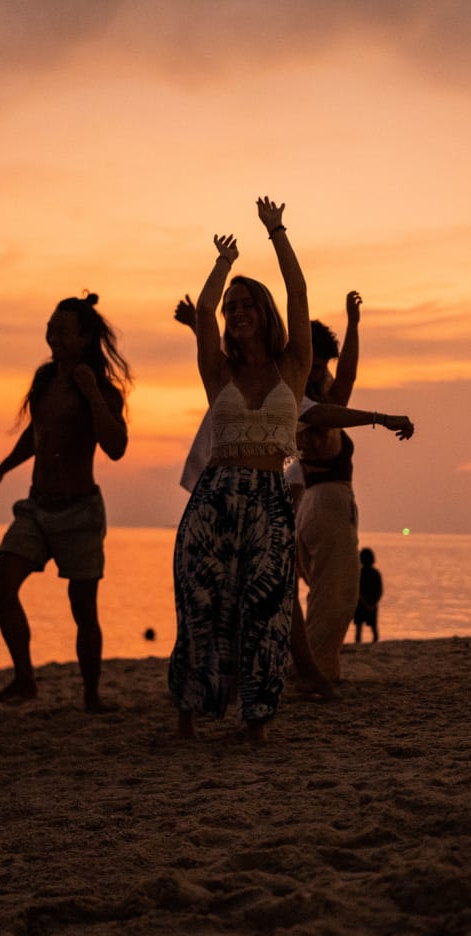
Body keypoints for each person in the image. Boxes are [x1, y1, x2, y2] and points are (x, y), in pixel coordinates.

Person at [169, 197, 309, 744]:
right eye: (233, 306)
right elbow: (203, 310)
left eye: (247, 303)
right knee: (200, 606)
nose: (237, 311)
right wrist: (223, 264)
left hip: (270, 499)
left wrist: (277, 232)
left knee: (266, 610)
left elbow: (298, 293)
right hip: (214, 498)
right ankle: (186, 716)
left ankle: (256, 720)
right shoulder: (218, 369)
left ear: (264, 311)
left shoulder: (292, 366)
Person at [0, 293, 130, 712]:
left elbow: (116, 447)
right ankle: (24, 680)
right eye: (50, 330)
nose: (53, 338)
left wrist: (92, 393)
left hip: (80, 512)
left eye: (62, 332)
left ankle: (91, 696)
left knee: (83, 608)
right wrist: (0, 471)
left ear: (84, 338)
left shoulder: (103, 390)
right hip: (36, 508)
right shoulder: (45, 379)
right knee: (2, 586)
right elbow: (36, 435)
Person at [291, 300, 413, 682]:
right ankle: (314, 673)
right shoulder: (301, 402)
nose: (322, 373)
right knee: (334, 596)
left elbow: (346, 376)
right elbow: (333, 407)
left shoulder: (316, 394)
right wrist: (380, 418)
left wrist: (353, 324)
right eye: (315, 366)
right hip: (325, 503)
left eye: (324, 365)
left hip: (318, 504)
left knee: (330, 594)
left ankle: (319, 669)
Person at [353, 548, 383, 644]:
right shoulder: (376, 573)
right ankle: (375, 644)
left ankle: (358, 645)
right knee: (374, 630)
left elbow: (357, 590)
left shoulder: (359, 573)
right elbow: (380, 591)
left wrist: (364, 603)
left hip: (360, 604)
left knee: (358, 630)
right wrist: (373, 603)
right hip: (371, 603)